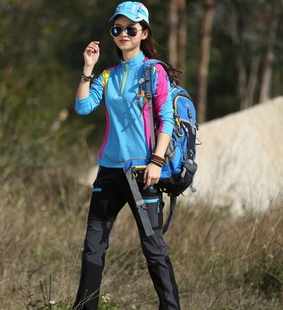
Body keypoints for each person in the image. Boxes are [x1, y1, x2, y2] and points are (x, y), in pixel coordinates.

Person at [72, 2, 181, 309]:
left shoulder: (154, 71)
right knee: (93, 249)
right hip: (108, 171)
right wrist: (88, 68)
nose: (123, 34)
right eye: (117, 29)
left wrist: (157, 162)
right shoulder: (108, 75)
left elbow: (167, 119)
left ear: (143, 33)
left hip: (143, 172)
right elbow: (82, 107)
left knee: (153, 248)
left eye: (130, 29)